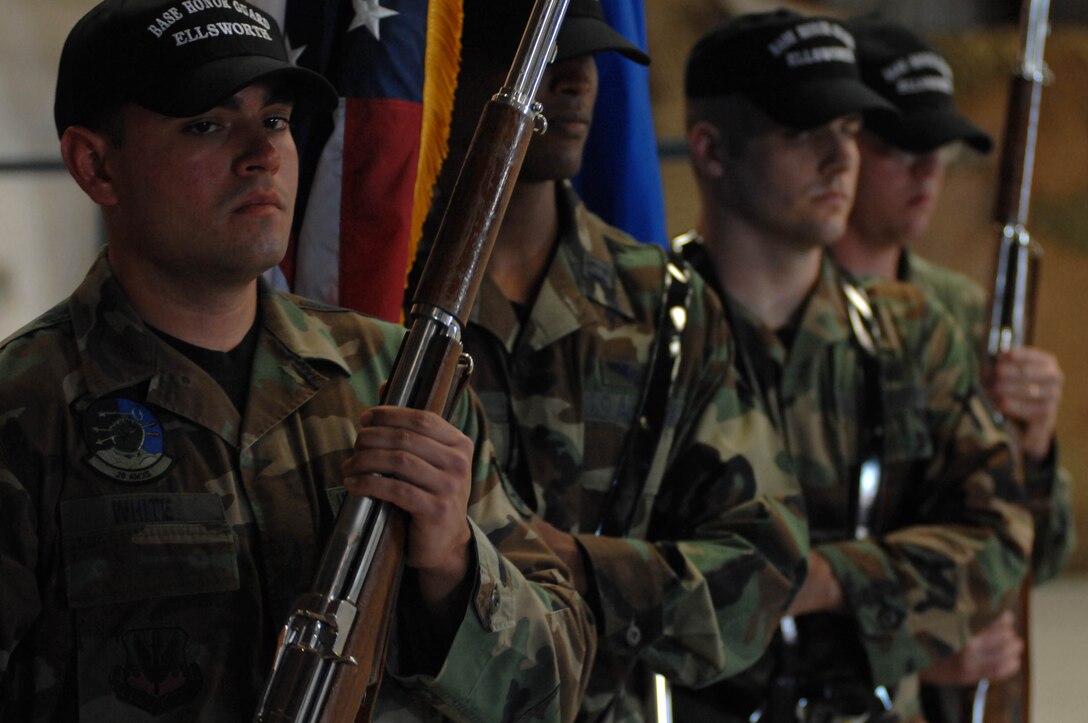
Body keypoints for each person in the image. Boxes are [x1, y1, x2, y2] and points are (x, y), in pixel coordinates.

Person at [0, 1, 596, 721]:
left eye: (276, 120)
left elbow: (555, 689)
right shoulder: (25, 410)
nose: (264, 154)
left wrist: (453, 562)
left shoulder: (395, 378)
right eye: (208, 125)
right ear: (95, 164)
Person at [415, 0, 811, 720]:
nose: (575, 81)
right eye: (538, 57)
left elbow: (767, 563)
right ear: (443, 71)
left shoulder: (663, 306)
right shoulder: (376, 291)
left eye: (587, 56)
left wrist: (578, 564)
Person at [671, 10, 1033, 721]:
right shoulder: (639, 333)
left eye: (848, 131)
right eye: (805, 131)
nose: (841, 160)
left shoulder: (909, 333)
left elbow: (998, 538)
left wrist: (831, 577)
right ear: (712, 150)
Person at [834, 17, 1076, 721]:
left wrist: (1031, 442)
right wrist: (907, 646)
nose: (928, 172)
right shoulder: (779, 310)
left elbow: (1046, 547)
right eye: (901, 149)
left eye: (938, 150)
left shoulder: (963, 314)